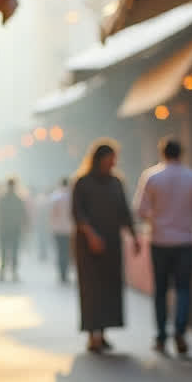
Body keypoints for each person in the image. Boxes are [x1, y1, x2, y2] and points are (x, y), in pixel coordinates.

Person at [135, 138, 192, 356]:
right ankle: (180, 332)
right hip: (185, 241)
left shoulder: (152, 177)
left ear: (162, 153)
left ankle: (160, 336)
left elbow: (141, 211)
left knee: (160, 290)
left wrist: (157, 221)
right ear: (181, 153)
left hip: (159, 241)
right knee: (183, 289)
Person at [73, 141, 140, 353]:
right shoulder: (82, 183)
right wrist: (91, 235)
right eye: (109, 158)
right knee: (92, 288)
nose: (113, 162)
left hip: (111, 242)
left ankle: (102, 333)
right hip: (88, 244)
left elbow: (124, 212)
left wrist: (134, 235)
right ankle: (93, 333)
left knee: (109, 287)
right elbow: (78, 213)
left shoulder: (116, 183)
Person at [0, 179, 26, 282]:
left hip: (7, 229)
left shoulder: (4, 199)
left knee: (7, 252)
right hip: (11, 229)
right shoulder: (17, 199)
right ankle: (9, 272)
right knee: (11, 252)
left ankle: (6, 272)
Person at [47, 178, 74, 284]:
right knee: (67, 252)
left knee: (60, 252)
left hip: (57, 229)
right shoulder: (72, 196)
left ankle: (61, 274)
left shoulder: (55, 196)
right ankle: (65, 274)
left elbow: (52, 214)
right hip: (69, 229)